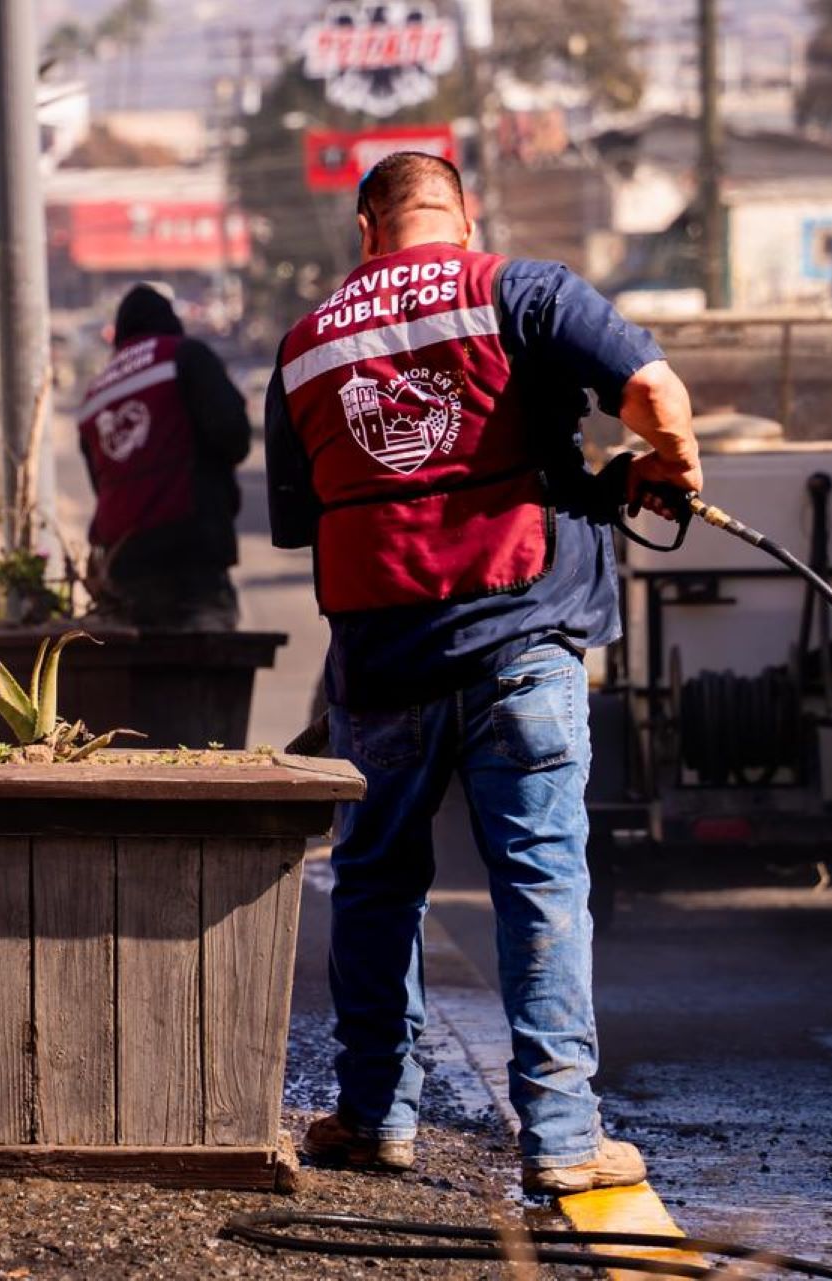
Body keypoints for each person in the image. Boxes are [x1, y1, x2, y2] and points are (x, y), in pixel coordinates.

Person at [265, 153, 703, 1196]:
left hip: (380, 670)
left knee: (374, 888)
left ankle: (374, 1118)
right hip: (522, 646)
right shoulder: (520, 288)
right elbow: (648, 388)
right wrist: (672, 464)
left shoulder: (303, 345)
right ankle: (559, 1138)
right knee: (540, 884)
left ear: (365, 232)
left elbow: (299, 523)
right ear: (464, 218)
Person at [77, 284, 251, 631]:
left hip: (124, 567)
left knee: (148, 679)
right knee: (206, 671)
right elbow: (234, 436)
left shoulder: (94, 397)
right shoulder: (183, 356)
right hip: (191, 556)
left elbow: (102, 485)